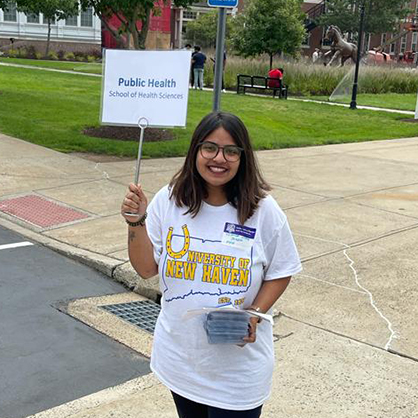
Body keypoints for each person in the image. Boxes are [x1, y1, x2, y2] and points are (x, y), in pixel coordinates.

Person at [121, 111, 302, 418]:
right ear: (195, 151)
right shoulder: (170, 200)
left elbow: (281, 271)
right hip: (181, 358)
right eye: (210, 148)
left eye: (231, 151)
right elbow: (146, 269)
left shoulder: (263, 209)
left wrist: (255, 315)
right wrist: (136, 221)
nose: (219, 158)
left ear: (243, 157)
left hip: (237, 372)